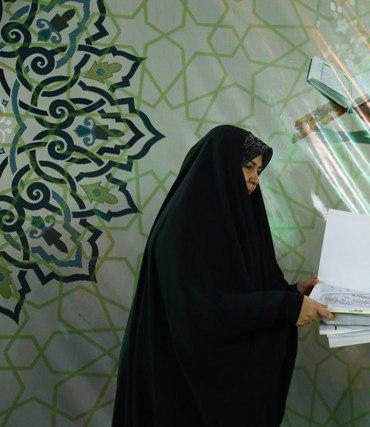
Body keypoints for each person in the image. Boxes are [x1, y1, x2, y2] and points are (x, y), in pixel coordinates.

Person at [113, 125, 333, 426]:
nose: (255, 179)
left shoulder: (236, 224)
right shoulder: (180, 231)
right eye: (248, 167)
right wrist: (286, 307)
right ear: (218, 168)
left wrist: (293, 293)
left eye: (258, 170)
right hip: (178, 388)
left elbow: (244, 289)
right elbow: (200, 312)